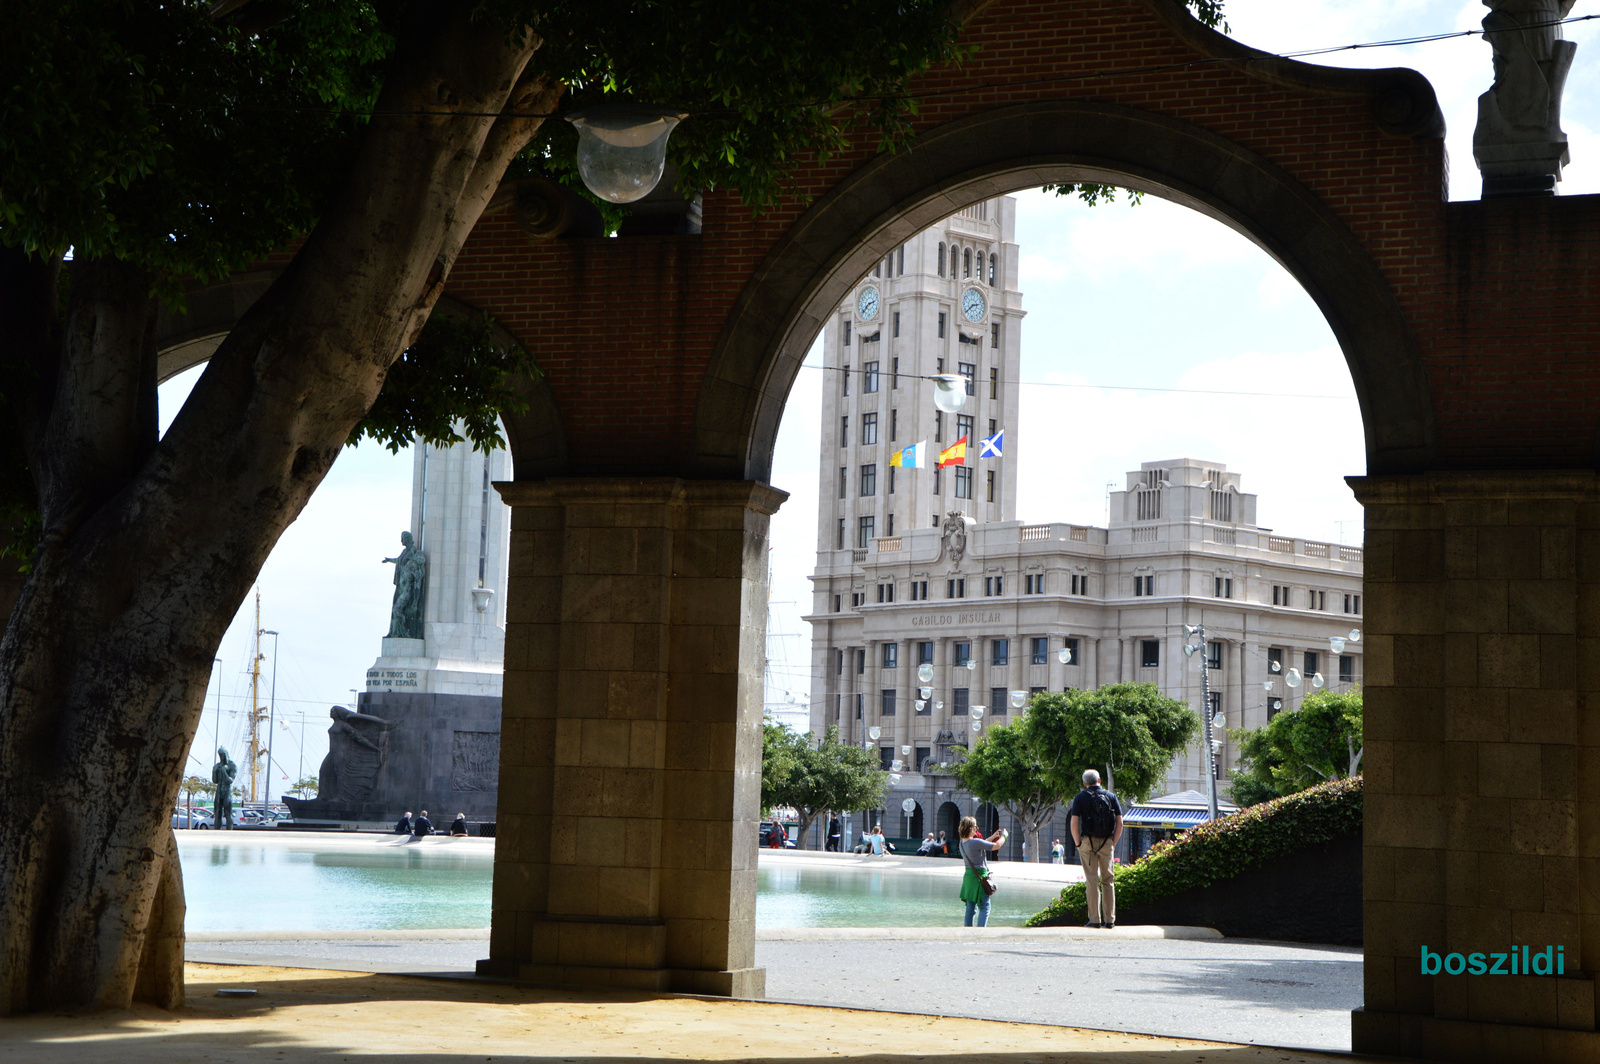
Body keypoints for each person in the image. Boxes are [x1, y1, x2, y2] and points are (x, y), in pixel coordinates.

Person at [1069, 769, 1124, 929]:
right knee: (1108, 880)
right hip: (1107, 842)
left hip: (1087, 842)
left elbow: (1074, 823)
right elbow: (1120, 822)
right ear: (1099, 780)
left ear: (1085, 783)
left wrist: (1078, 843)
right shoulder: (1111, 796)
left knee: (1092, 881)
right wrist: (1113, 842)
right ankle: (1110, 920)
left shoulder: (1080, 798)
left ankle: (1094, 920)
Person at [958, 815, 1007, 926]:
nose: (977, 829)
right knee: (985, 907)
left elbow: (982, 844)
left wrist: (993, 836)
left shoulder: (962, 842)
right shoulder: (974, 842)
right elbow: (996, 846)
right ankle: (980, 932)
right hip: (980, 877)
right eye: (975, 827)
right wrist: (1004, 836)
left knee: (970, 908)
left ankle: (968, 931)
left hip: (969, 878)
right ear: (970, 828)